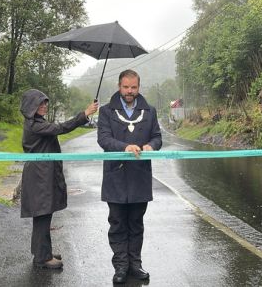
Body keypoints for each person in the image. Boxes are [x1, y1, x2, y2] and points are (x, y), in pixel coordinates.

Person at [19, 89, 98, 269]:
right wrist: (84, 114)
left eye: (46, 102)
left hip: (43, 174)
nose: (45, 106)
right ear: (31, 106)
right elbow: (61, 128)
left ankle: (42, 251)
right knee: (42, 215)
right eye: (40, 103)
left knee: (45, 214)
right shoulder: (35, 125)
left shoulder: (37, 122)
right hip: (39, 176)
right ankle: (41, 258)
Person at [97, 69, 162, 284]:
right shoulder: (106, 111)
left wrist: (151, 146)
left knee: (136, 223)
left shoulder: (150, 111)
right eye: (126, 87)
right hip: (115, 177)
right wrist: (125, 147)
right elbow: (104, 139)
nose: (129, 91)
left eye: (133, 87)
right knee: (117, 224)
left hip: (139, 177)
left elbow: (157, 137)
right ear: (119, 86)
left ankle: (135, 264)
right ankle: (121, 266)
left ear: (138, 87)